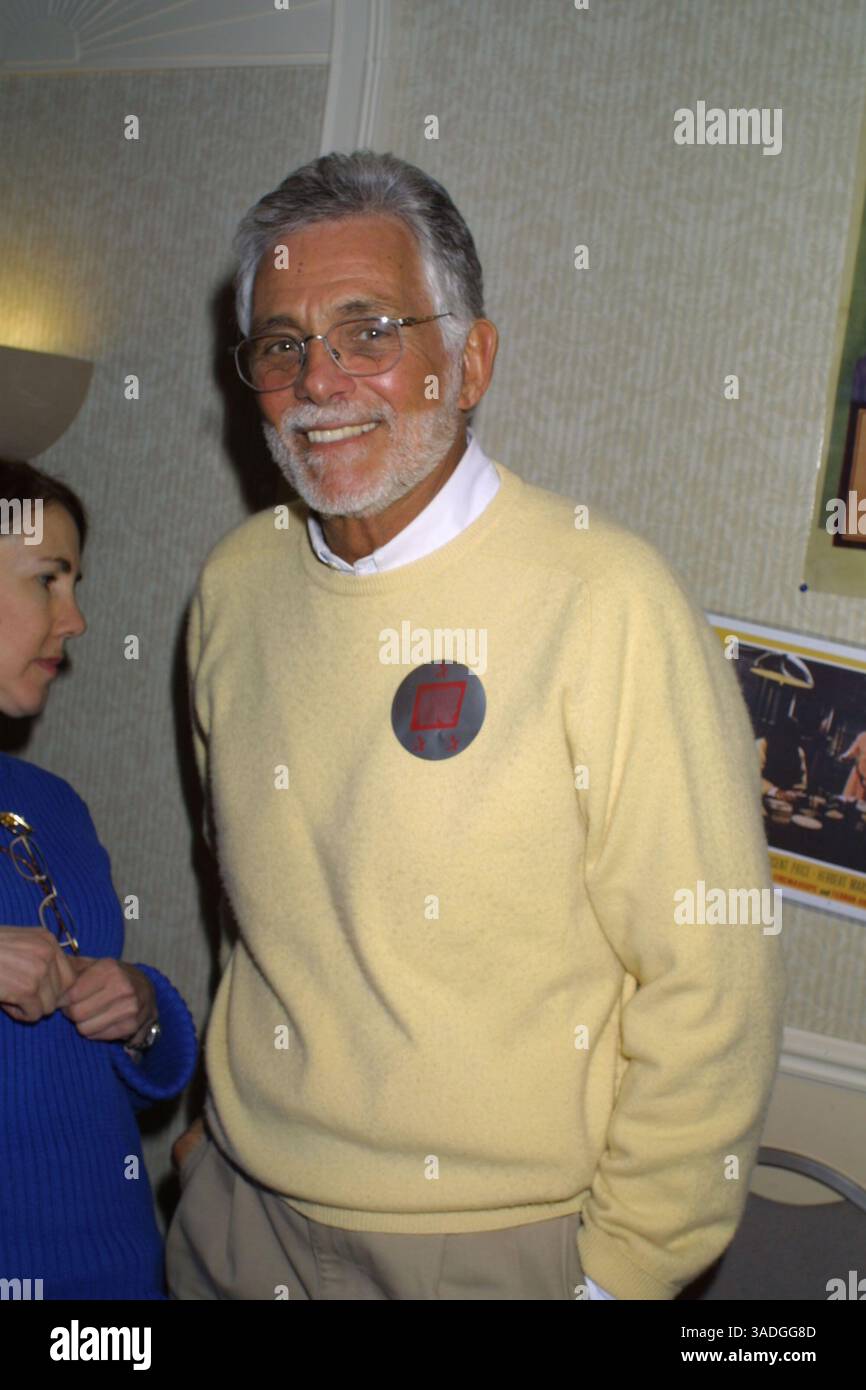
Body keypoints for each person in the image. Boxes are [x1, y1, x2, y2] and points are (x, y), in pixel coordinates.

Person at [166, 150, 786, 1302]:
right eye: (282, 343)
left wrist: (620, 1275)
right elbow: (246, 910)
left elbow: (712, 980)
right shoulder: (233, 587)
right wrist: (210, 1128)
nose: (319, 380)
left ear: (470, 358)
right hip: (239, 1224)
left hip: (495, 1252)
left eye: (368, 330)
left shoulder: (606, 597)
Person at [0, 458, 197, 1300]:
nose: (75, 619)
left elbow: (137, 1068)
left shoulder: (53, 804)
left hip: (119, 1276)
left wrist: (144, 1013)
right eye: (48, 580)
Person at [755, 715, 808, 799]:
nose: (788, 743)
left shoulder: (798, 751)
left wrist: (797, 793)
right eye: (786, 736)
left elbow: (801, 784)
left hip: (786, 801)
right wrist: (776, 791)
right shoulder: (761, 745)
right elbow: (754, 777)